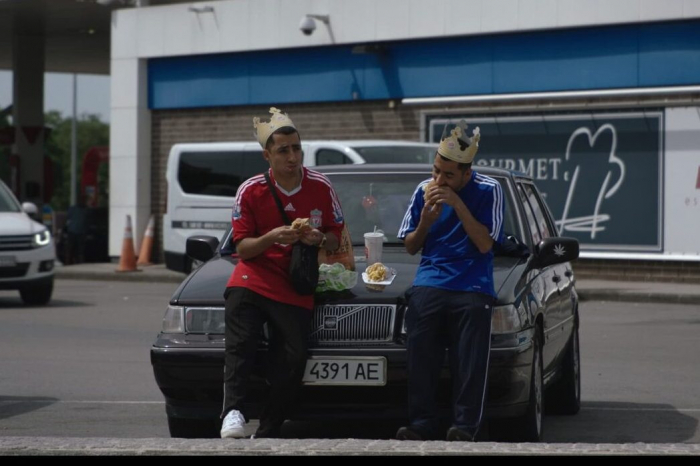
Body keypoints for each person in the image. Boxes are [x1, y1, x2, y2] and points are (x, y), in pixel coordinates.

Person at [220, 107, 344, 439]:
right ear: (267, 156)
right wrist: (272, 237)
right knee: (241, 342)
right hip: (254, 275)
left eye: (296, 148)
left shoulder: (321, 186)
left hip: (295, 281)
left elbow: (336, 236)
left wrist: (318, 238)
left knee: (294, 355)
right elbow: (242, 248)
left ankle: (271, 424)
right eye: (283, 150)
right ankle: (233, 412)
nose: (293, 157)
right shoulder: (250, 190)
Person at [396, 121, 504, 441]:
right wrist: (426, 222)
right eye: (435, 171)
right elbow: (412, 246)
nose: (438, 180)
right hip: (431, 278)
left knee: (469, 357)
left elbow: (486, 244)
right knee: (420, 351)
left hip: (473, 283)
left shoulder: (488, 190)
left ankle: (464, 426)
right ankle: (421, 424)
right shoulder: (422, 190)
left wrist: (457, 205)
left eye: (448, 175)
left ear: (466, 175)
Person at [65, 196, 88, 264]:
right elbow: (86, 222)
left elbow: (67, 218)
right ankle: (78, 261)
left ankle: (69, 261)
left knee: (71, 248)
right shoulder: (85, 210)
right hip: (79, 231)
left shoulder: (72, 209)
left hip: (73, 231)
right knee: (79, 249)